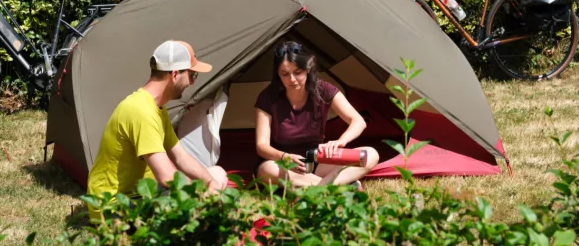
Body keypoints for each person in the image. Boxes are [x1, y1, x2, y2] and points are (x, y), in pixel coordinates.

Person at [86, 40, 227, 222]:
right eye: (192, 75)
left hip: (142, 194)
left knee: (218, 174)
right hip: (114, 208)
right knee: (197, 205)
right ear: (175, 74)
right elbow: (166, 176)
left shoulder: (157, 108)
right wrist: (201, 193)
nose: (192, 82)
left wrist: (210, 182)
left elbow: (181, 156)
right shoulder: (140, 111)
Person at [254, 41, 380, 189]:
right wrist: (285, 157)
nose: (292, 79)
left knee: (370, 154)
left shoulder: (323, 89)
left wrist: (341, 141)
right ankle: (339, 185)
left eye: (297, 72)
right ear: (278, 73)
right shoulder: (268, 97)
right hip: (283, 163)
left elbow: (358, 121)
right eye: (285, 74)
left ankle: (320, 188)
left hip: (316, 161)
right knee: (267, 169)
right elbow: (261, 146)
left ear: (308, 68)